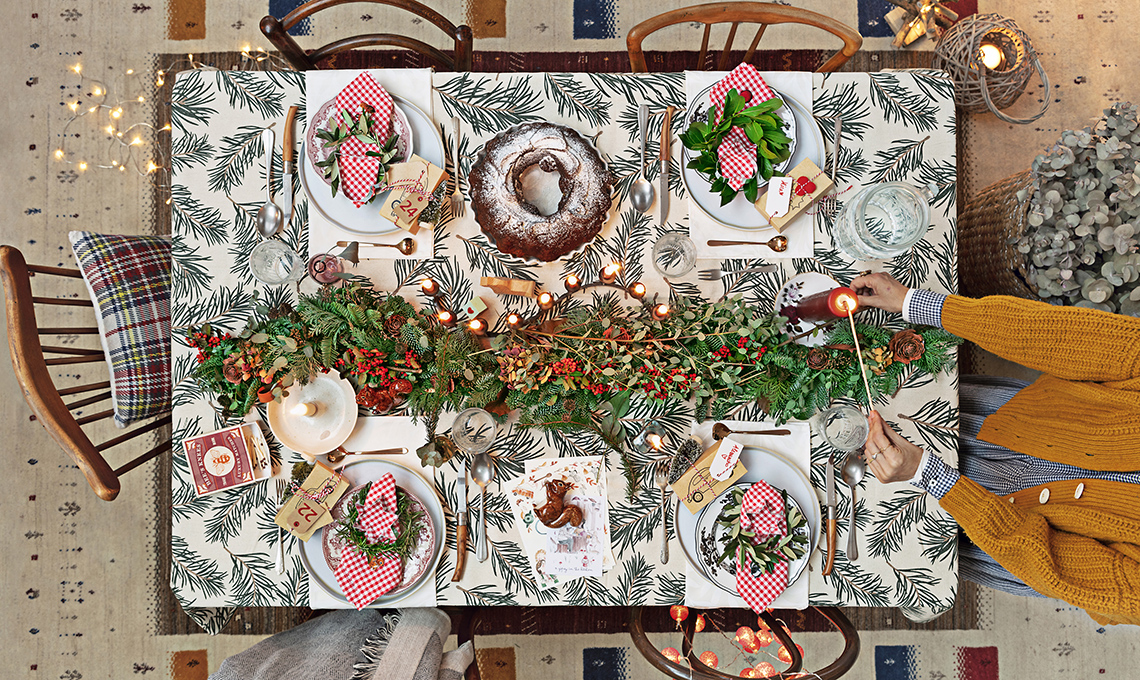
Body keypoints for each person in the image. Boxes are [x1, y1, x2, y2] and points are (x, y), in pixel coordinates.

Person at [849, 272, 1140, 626]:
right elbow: (1066, 337)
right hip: (1011, 421)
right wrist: (920, 304)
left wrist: (928, 474)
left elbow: (1051, 565)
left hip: (996, 527)